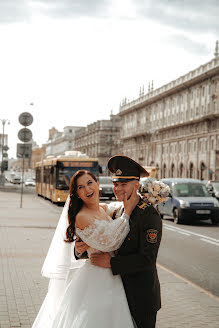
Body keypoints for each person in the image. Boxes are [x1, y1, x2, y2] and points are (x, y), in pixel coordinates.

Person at [32, 169, 139, 328]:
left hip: (111, 276)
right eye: (81, 187)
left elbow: (112, 207)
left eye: (90, 183)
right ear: (77, 194)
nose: (87, 189)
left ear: (98, 184)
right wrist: (127, 213)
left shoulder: (102, 208)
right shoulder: (82, 216)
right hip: (97, 278)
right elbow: (111, 242)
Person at [76, 156, 163, 328]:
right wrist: (80, 250)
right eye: (116, 184)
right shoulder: (119, 210)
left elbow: (147, 258)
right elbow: (103, 241)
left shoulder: (148, 214)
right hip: (116, 293)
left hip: (140, 296)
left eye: (123, 184)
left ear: (136, 185)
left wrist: (112, 263)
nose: (117, 189)